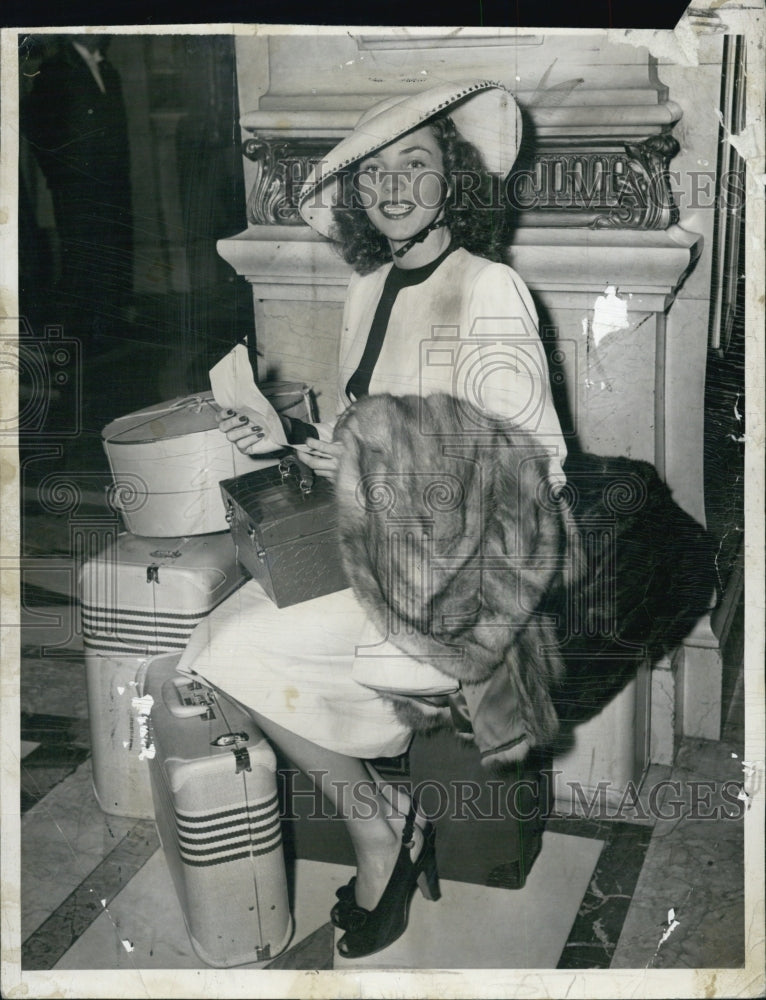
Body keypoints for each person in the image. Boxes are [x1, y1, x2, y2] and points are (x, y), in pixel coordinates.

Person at [182, 80, 567, 960]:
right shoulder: (366, 289)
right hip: (379, 545)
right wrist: (288, 439)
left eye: (416, 164)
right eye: (375, 172)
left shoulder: (491, 287)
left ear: (452, 179)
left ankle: (380, 834)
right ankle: (388, 815)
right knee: (210, 641)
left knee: (234, 651)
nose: (394, 187)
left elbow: (531, 464)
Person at [21, 34, 133, 341]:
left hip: (110, 182)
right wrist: (60, 172)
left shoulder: (107, 69)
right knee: (81, 254)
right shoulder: (56, 69)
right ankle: (78, 331)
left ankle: (107, 325)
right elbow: (34, 123)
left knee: (110, 249)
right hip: (76, 186)